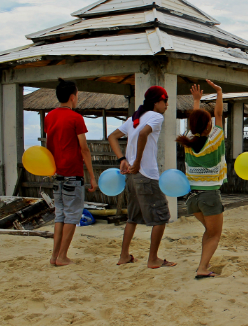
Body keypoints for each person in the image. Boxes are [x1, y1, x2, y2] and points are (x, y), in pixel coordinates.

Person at [108, 86, 176, 269]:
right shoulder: (156, 116)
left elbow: (112, 137)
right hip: (146, 174)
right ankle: (153, 259)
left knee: (132, 217)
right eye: (165, 101)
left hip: (132, 176)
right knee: (161, 217)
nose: (167, 105)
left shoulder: (134, 119)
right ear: (156, 102)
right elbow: (145, 134)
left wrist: (122, 159)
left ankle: (124, 256)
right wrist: (137, 161)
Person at [176, 81, 227, 279]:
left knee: (209, 232)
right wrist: (219, 93)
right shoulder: (215, 139)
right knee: (214, 234)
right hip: (209, 196)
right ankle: (203, 268)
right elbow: (219, 115)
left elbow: (196, 122)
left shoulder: (188, 140)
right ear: (208, 125)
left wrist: (196, 101)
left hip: (191, 197)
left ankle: (202, 265)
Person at [44, 79, 98, 266]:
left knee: (60, 215)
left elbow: (48, 144)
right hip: (73, 174)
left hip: (57, 172)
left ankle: (54, 256)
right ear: (73, 97)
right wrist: (91, 176)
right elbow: (84, 149)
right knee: (73, 215)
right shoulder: (76, 118)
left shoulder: (49, 117)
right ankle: (62, 257)